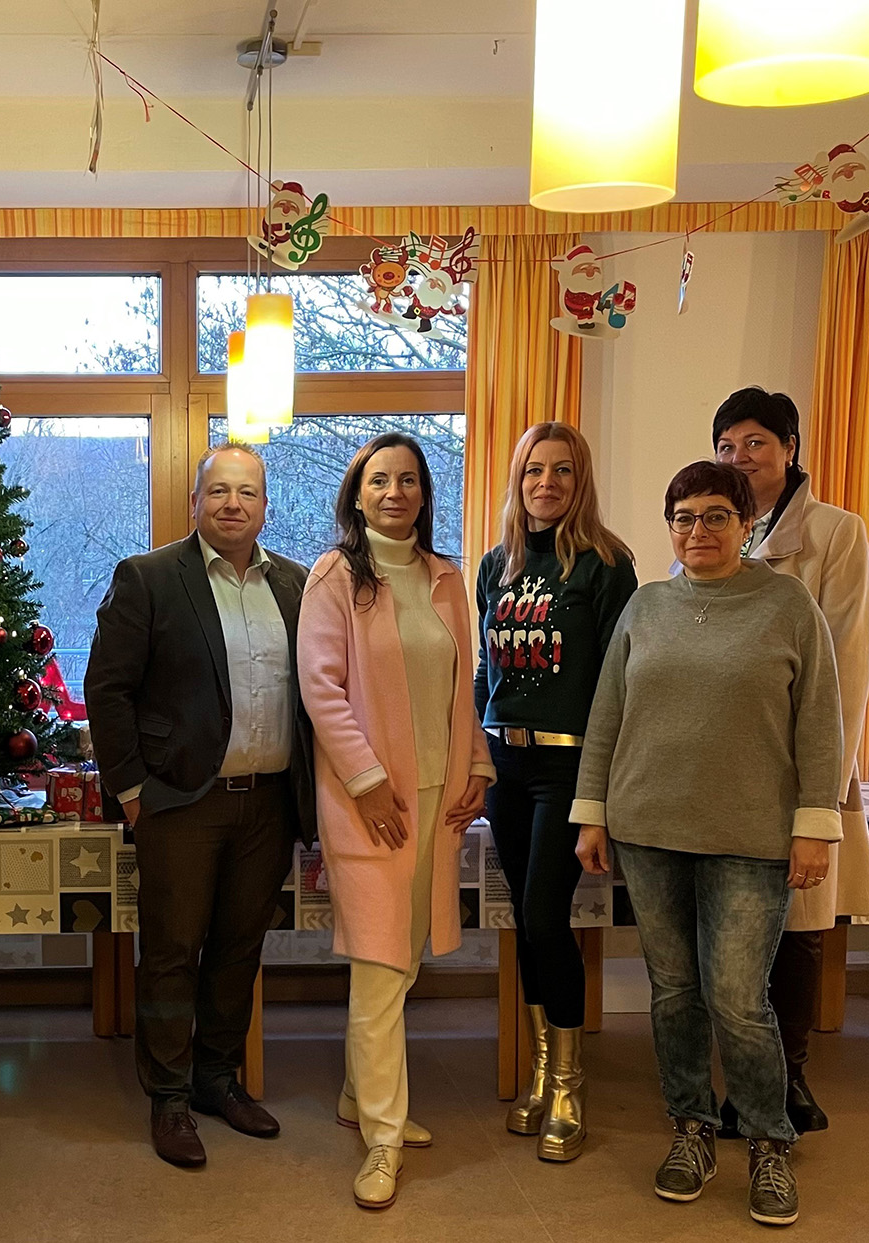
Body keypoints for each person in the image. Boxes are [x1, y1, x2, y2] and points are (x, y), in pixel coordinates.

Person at [573, 460, 843, 1229]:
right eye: (684, 517)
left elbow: (820, 724)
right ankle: (689, 1128)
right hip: (648, 830)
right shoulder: (646, 607)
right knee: (673, 991)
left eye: (716, 515)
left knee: (736, 997)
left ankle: (765, 1138)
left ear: (747, 523)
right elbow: (607, 715)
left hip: (752, 836)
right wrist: (593, 813)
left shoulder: (788, 604)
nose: (699, 530)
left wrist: (813, 825)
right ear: (670, 527)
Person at [84, 444, 316, 1169]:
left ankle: (219, 1080)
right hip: (180, 804)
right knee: (173, 953)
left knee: (239, 949)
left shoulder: (299, 587)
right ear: (194, 501)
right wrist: (131, 793)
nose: (232, 504)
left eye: (247, 492)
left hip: (269, 803)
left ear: (265, 505)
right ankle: (171, 1097)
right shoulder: (149, 578)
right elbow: (107, 689)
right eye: (218, 490)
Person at [297, 433, 494, 1210]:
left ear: (424, 493)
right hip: (369, 805)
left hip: (439, 802)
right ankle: (382, 1134)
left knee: (406, 958)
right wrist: (368, 781)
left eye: (408, 479)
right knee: (379, 970)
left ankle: (356, 1093)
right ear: (357, 493)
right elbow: (322, 688)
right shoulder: (336, 576)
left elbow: (462, 686)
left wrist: (477, 766)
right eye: (380, 479)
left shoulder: (446, 579)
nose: (395, 491)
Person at [712, 385, 869, 1135]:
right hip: (728, 768)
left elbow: (848, 666)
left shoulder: (838, 534)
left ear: (789, 450)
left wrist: (824, 791)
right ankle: (747, 1079)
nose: (740, 458)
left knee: (801, 925)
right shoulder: (716, 531)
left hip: (801, 764)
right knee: (736, 929)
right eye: (727, 445)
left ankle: (792, 1076)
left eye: (755, 443)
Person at [473, 422, 637, 1161]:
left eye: (562, 471)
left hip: (568, 770)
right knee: (529, 922)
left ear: (581, 480)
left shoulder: (606, 564)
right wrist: (477, 755)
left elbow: (615, 686)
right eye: (534, 470)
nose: (546, 483)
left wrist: (598, 796)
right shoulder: (494, 566)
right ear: (517, 478)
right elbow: (484, 673)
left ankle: (570, 1084)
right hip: (506, 765)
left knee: (544, 915)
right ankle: (540, 1070)